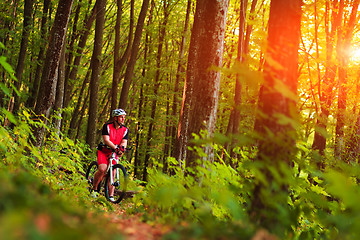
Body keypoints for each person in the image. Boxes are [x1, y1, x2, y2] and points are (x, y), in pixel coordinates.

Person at [91, 108, 129, 201]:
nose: (123, 119)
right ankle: (95, 189)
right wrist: (115, 147)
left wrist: (121, 149)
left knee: (113, 172)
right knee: (102, 169)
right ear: (115, 118)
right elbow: (106, 140)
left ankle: (111, 196)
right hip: (104, 151)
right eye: (121, 117)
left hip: (114, 152)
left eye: (124, 117)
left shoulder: (125, 130)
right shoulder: (107, 126)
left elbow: (124, 142)